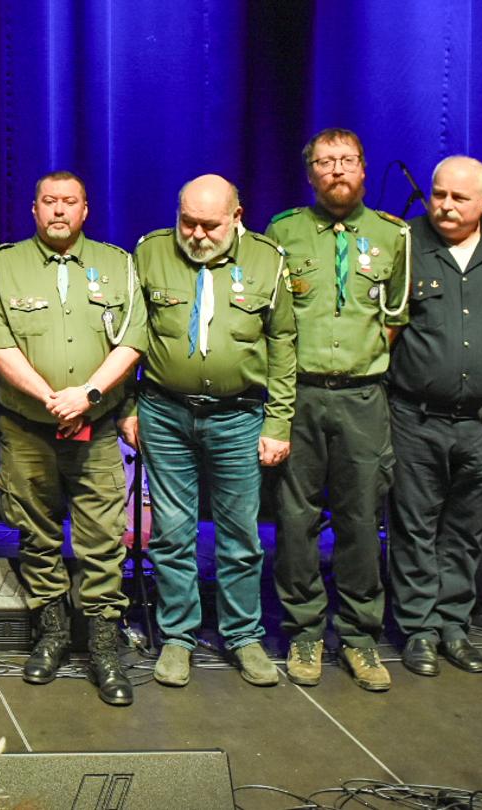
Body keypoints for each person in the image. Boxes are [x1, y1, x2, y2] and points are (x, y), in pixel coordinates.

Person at [0, 171, 141, 705]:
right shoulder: (4, 264)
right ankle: (50, 632)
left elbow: (134, 338)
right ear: (33, 209)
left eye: (69, 202)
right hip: (28, 427)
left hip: (93, 429)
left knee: (101, 540)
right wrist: (54, 399)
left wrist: (86, 396)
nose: (58, 210)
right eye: (48, 201)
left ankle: (102, 643)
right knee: (36, 535)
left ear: (85, 209)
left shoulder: (117, 264)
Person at [130, 174, 295, 688]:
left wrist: (279, 420)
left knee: (241, 534)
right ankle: (178, 635)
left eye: (210, 225)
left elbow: (284, 343)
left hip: (238, 415)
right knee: (174, 532)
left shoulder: (268, 258)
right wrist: (126, 409)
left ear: (237, 217)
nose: (197, 235)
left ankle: (243, 634)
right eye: (188, 222)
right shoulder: (151, 252)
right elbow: (130, 334)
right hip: (164, 411)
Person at [262, 129, 409, 692]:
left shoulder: (393, 235)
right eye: (325, 162)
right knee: (296, 520)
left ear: (364, 169)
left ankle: (360, 636)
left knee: (360, 518)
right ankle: (303, 631)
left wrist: (356, 363)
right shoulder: (283, 231)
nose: (337, 171)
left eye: (347, 161)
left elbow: (393, 319)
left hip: (363, 398)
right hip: (299, 395)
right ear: (311, 173)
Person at [388, 155, 482, 677]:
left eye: (458, 197)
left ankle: (454, 624)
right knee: (414, 527)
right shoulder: (404, 245)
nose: (445, 206)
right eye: (439, 195)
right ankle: (418, 630)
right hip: (415, 415)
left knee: (466, 529)